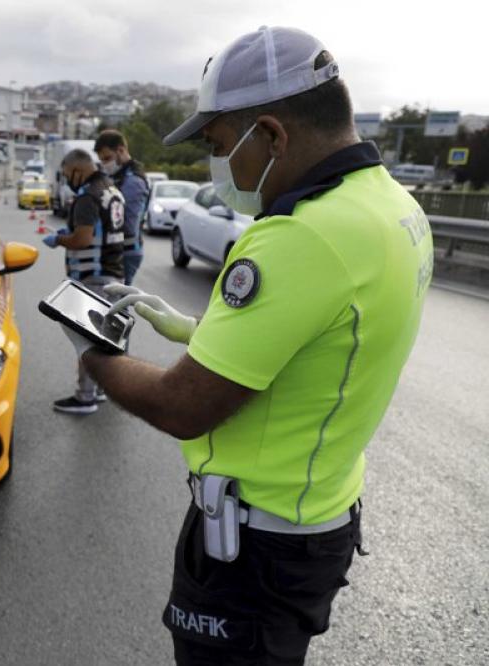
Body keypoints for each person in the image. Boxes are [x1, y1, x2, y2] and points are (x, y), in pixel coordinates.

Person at [54, 26, 433, 664]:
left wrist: (95, 355)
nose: (216, 163)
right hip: (319, 519)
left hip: (253, 546)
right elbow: (312, 342)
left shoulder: (300, 236)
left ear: (273, 134)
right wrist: (182, 326)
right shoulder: (394, 207)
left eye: (219, 144)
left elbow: (183, 406)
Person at [42, 148, 126, 415]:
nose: (68, 180)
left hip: (94, 277)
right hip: (115, 274)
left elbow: (83, 239)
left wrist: (59, 239)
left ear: (78, 169)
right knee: (105, 340)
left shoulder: (87, 197)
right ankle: (101, 390)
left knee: (86, 341)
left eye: (68, 175)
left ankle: (85, 397)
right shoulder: (111, 189)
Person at [95, 129, 149, 285]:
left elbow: (126, 224)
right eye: (102, 160)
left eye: (107, 158)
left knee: (116, 301)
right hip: (117, 250)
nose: (105, 164)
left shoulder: (133, 181)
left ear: (121, 150)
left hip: (126, 251)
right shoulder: (118, 176)